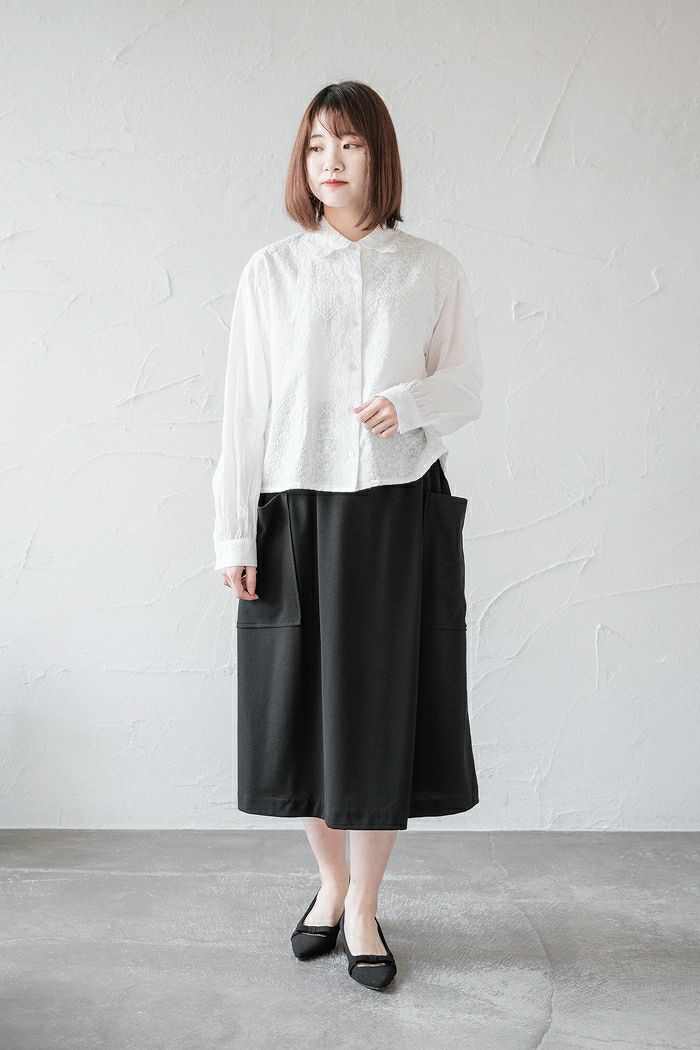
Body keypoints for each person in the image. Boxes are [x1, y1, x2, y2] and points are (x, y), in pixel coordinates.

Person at [212, 81, 484, 990]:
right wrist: (233, 534)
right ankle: (328, 885)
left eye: (351, 144)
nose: (331, 162)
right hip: (293, 507)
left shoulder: (430, 268)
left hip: (394, 503)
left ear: (380, 157)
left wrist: (407, 401)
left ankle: (365, 903)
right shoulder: (271, 272)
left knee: (378, 707)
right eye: (317, 146)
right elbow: (243, 409)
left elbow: (467, 384)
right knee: (297, 705)